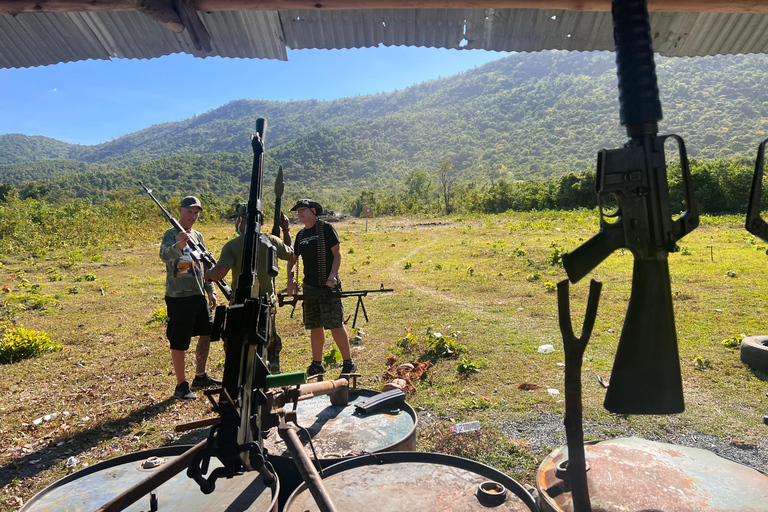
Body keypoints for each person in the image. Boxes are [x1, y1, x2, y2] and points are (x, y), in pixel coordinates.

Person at [204, 204, 294, 373]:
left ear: (242, 220)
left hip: (241, 305)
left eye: (237, 219)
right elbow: (291, 254)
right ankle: (272, 378)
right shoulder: (272, 241)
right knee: (269, 343)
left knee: (238, 343)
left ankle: (242, 377)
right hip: (267, 304)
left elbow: (218, 274)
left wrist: (206, 274)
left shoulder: (233, 246)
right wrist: (286, 230)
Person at [159, 196, 222, 401]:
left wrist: (210, 288)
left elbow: (203, 264)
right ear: (180, 211)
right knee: (179, 340)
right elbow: (165, 256)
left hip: (198, 294)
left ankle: (200, 376)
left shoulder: (198, 235)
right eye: (189, 212)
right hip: (179, 297)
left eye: (196, 213)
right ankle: (181, 385)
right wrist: (179, 244)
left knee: (207, 332)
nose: (193, 217)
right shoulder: (171, 234)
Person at [286, 199, 357, 377]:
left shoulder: (326, 228)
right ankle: (317, 364)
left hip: (328, 286)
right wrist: (291, 280)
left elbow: (337, 254)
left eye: (302, 210)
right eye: (297, 211)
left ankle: (348, 363)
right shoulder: (301, 235)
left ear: (313, 210)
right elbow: (293, 260)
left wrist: (332, 275)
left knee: (335, 323)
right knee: (314, 325)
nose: (299, 214)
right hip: (309, 288)